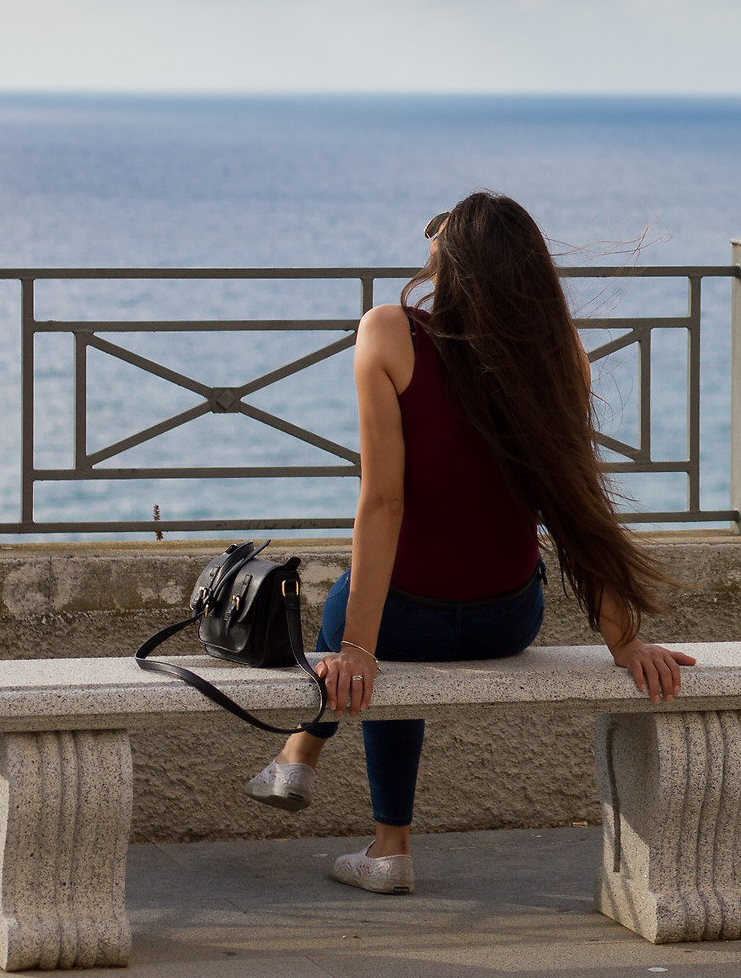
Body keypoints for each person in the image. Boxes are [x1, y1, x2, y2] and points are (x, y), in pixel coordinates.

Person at [242, 192, 695, 894]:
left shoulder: (389, 333)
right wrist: (625, 642)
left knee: (365, 623)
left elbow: (383, 502)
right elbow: (575, 509)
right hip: (506, 618)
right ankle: (317, 771)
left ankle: (359, 810)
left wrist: (357, 646)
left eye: (435, 233)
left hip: (404, 620)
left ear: (448, 261)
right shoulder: (558, 353)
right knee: (385, 632)